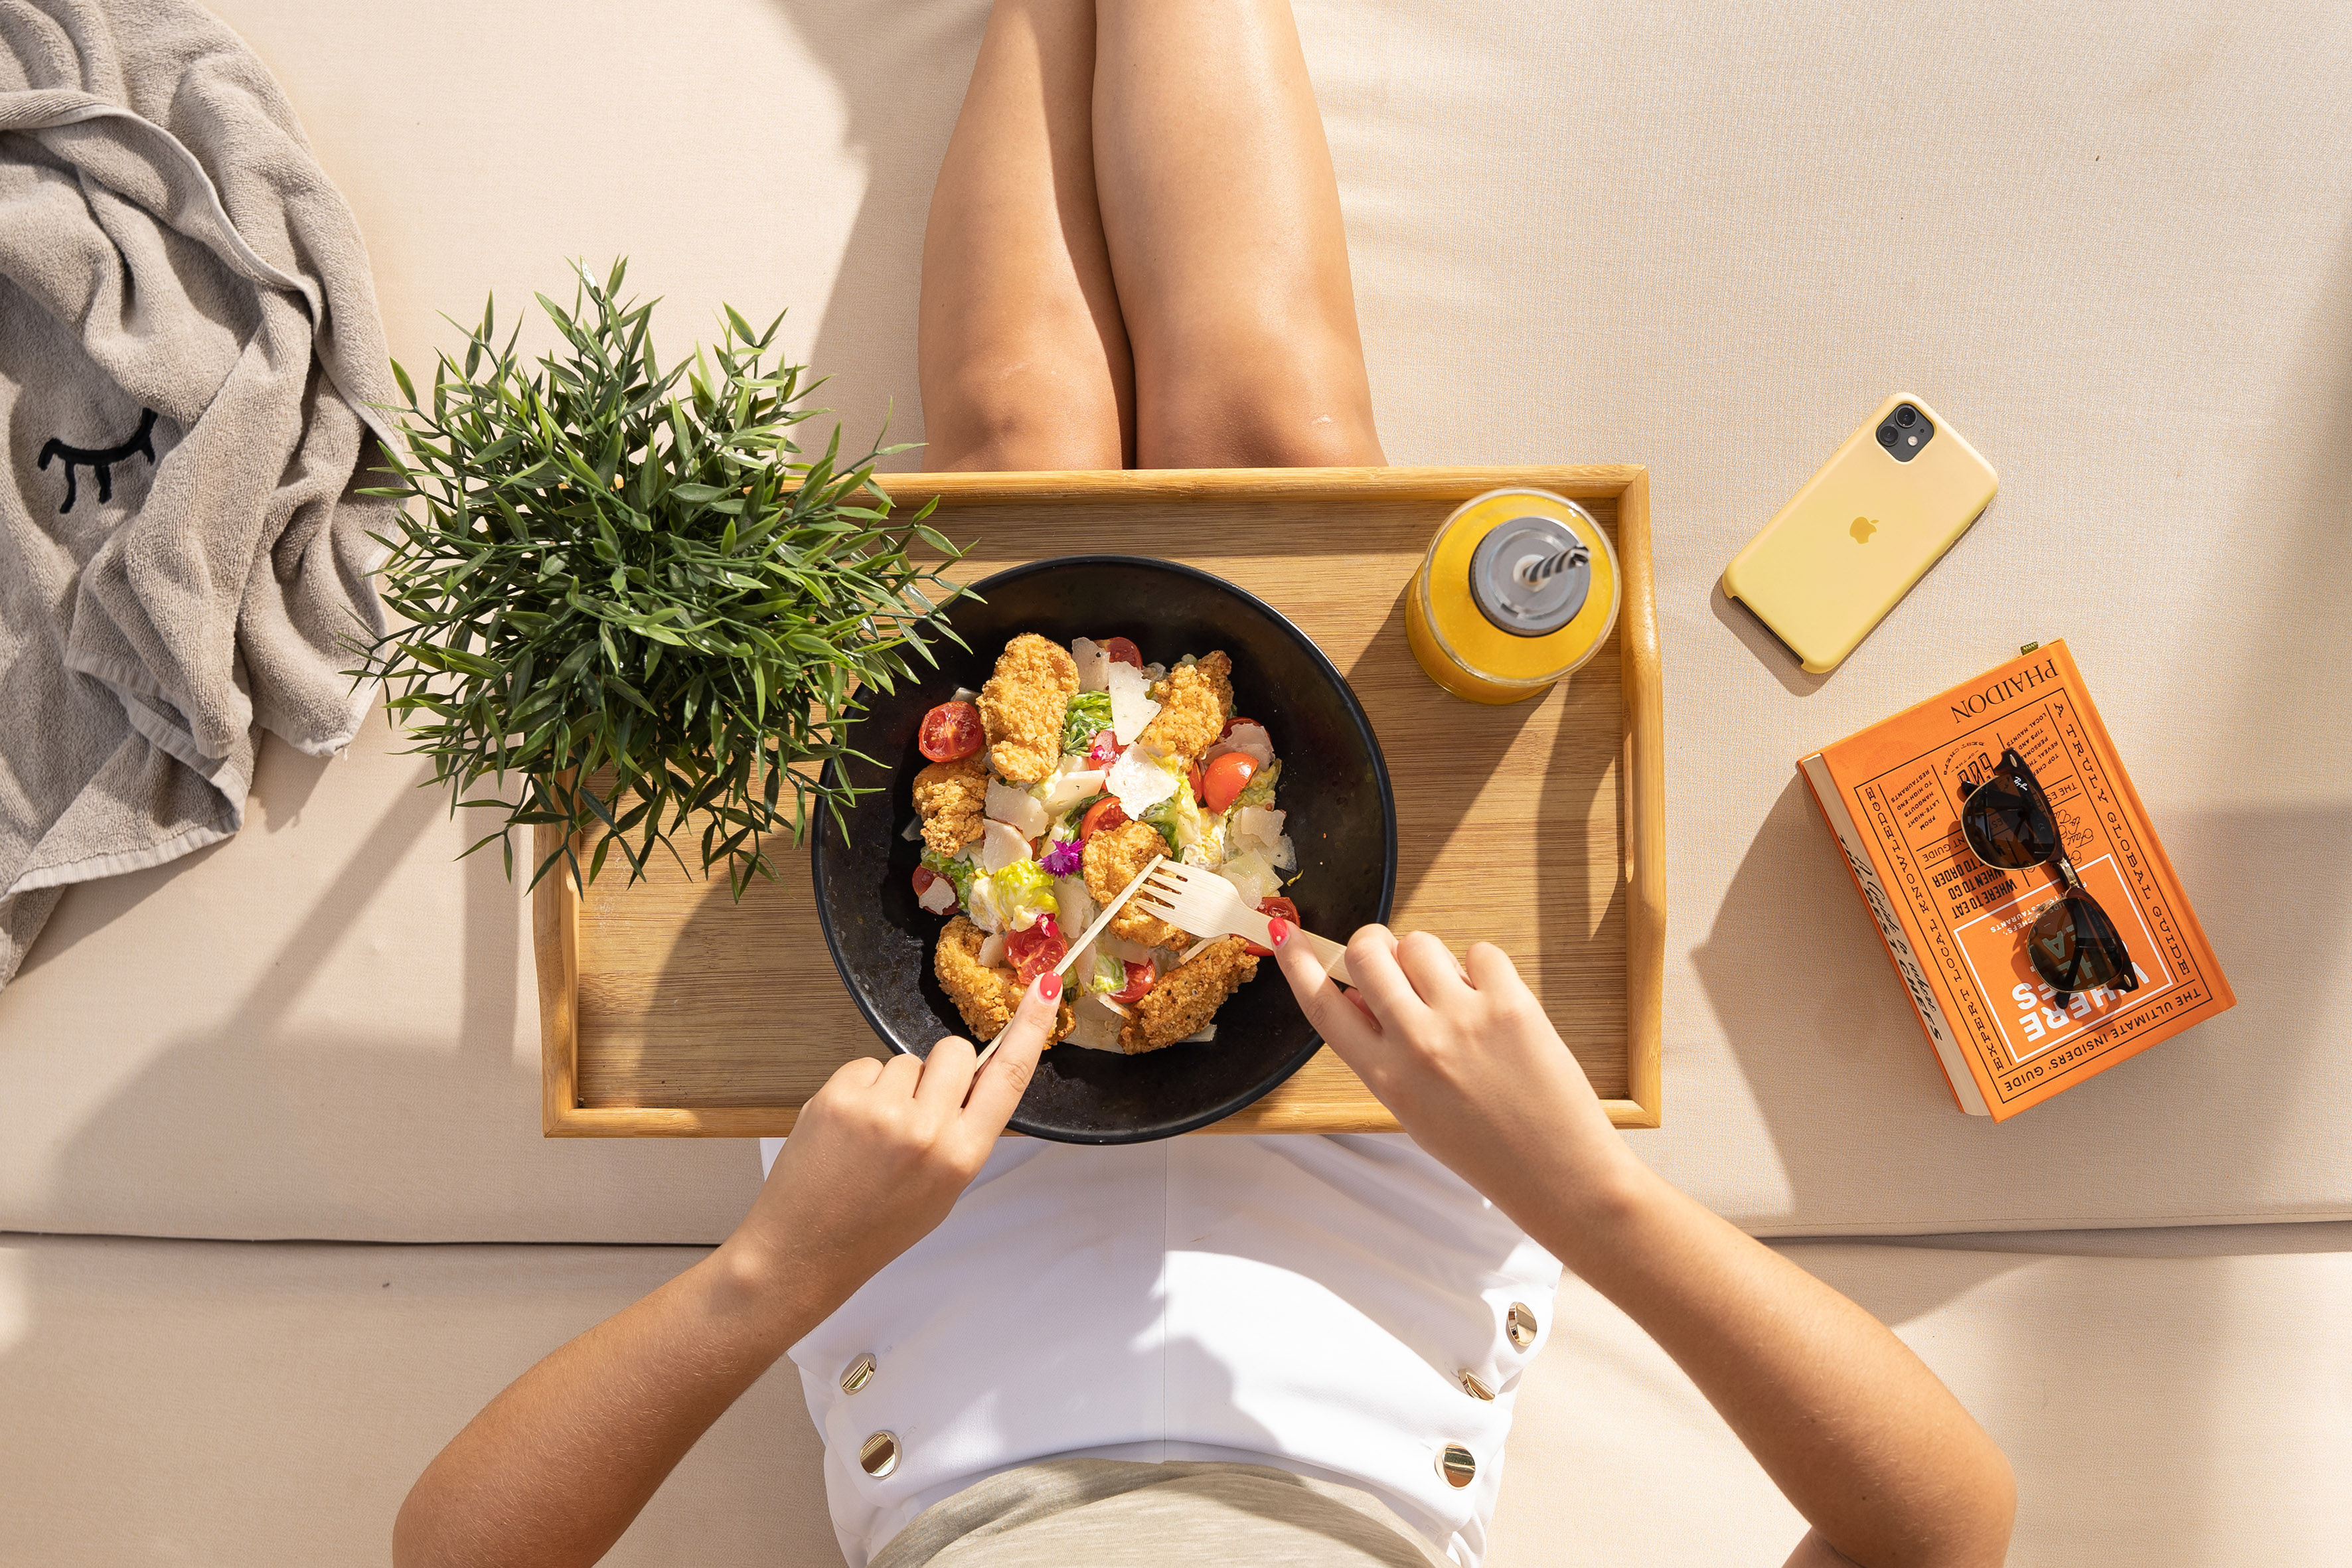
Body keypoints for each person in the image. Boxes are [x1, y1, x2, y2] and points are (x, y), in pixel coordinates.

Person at [392, 5, 2015, 1566]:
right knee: (1275, 437)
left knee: (1015, 440)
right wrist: (1576, 1187)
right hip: (1383, 1193)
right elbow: (1939, 1532)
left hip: (931, 1204)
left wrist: (770, 1270)